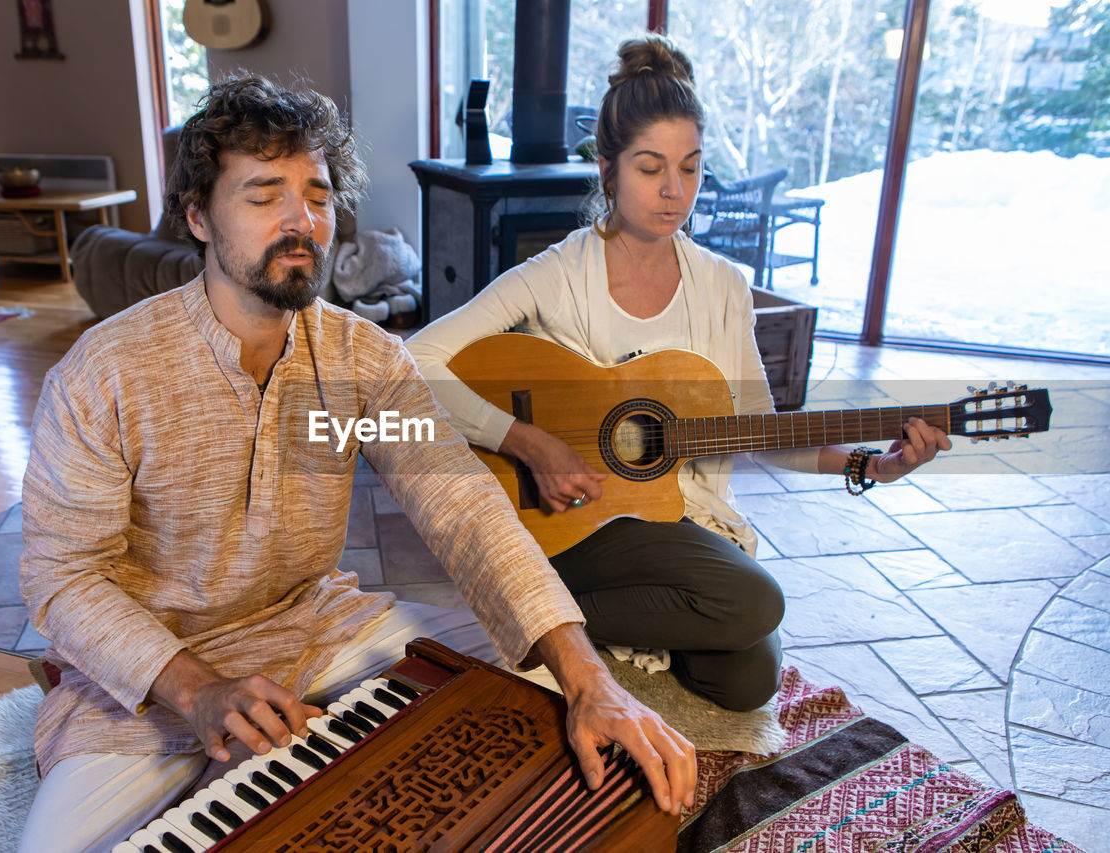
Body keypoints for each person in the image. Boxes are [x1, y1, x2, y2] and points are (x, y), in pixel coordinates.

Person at [15, 75, 695, 853]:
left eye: (318, 193)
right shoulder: (105, 371)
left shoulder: (364, 358)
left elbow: (463, 506)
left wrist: (589, 677)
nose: (303, 220)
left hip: (315, 626)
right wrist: (196, 689)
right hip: (151, 674)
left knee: (541, 698)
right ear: (199, 216)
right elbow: (62, 576)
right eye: (265, 194)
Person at [407, 35, 950, 715]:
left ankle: (553, 616)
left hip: (677, 517)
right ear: (606, 168)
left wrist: (874, 465)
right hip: (577, 520)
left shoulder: (723, 287)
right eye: (650, 167)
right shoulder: (556, 275)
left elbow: (762, 432)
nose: (674, 191)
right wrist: (526, 440)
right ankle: (534, 597)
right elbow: (414, 361)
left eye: (690, 168)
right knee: (756, 600)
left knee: (749, 679)